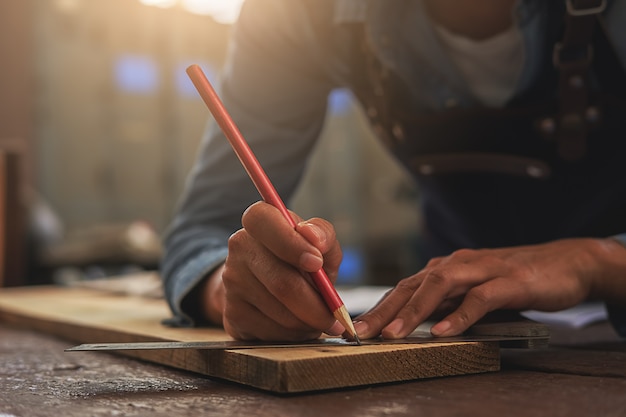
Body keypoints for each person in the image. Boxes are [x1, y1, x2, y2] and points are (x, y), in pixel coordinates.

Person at [161, 0, 626, 341]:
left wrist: (599, 261)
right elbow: (204, 228)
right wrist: (237, 288)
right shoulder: (295, 13)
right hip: (457, 338)